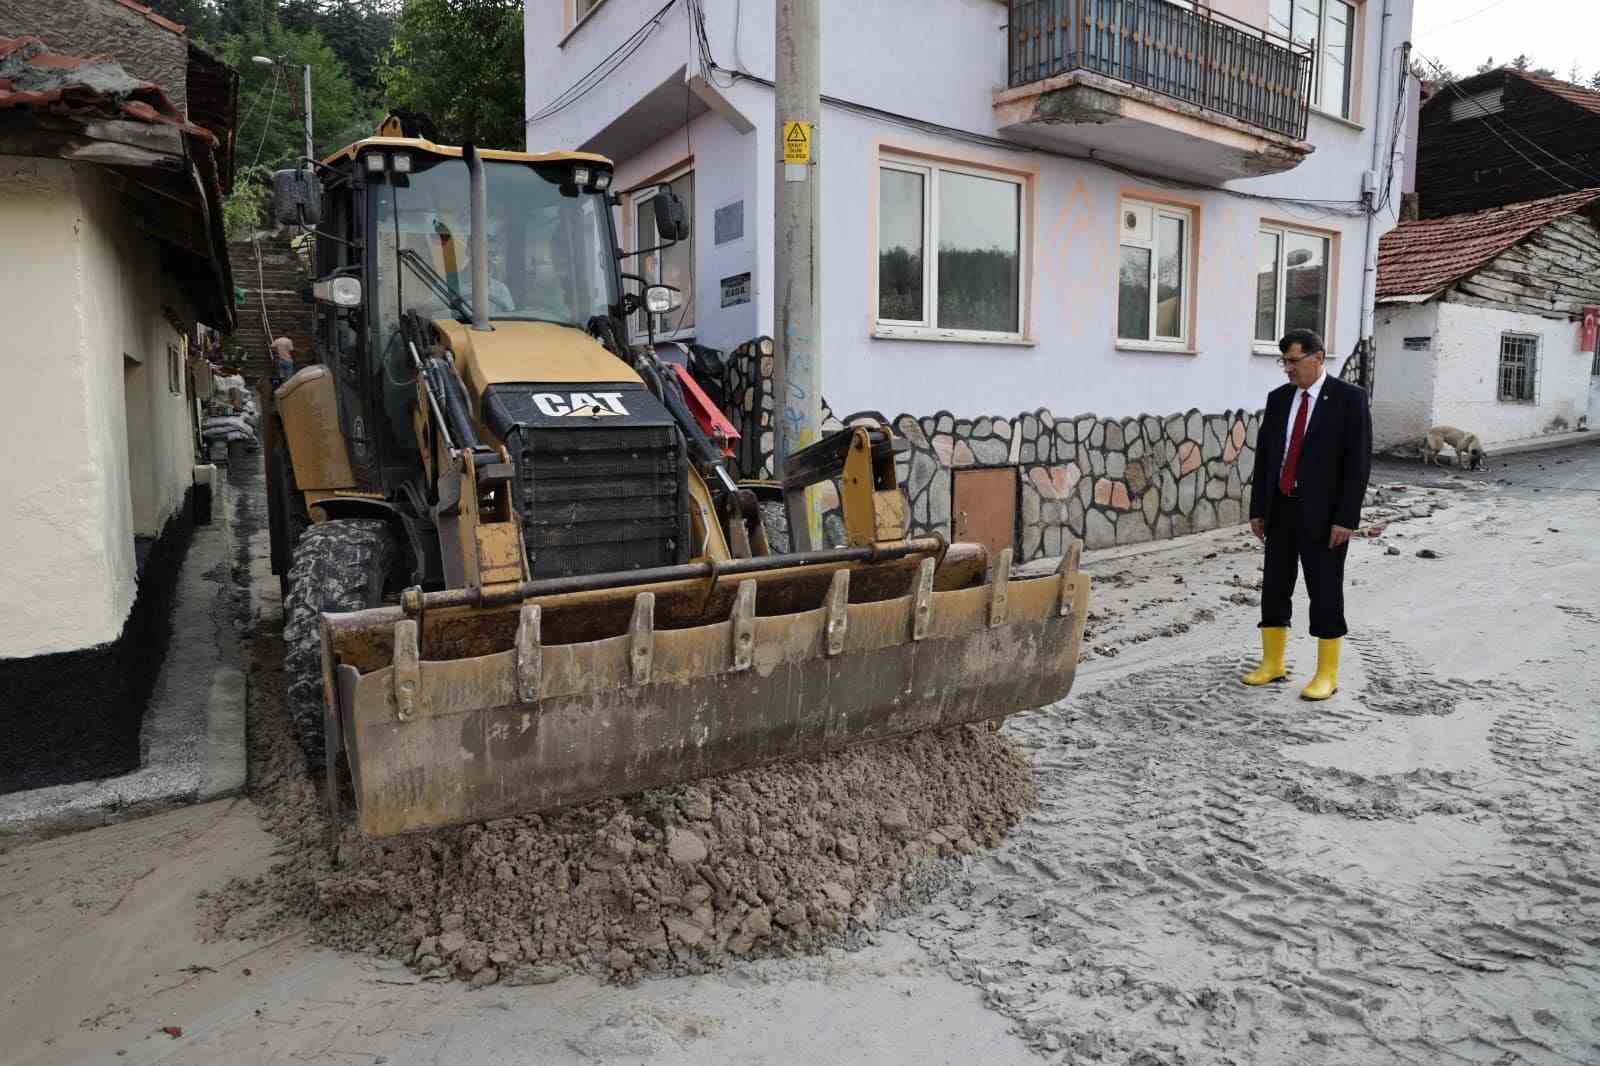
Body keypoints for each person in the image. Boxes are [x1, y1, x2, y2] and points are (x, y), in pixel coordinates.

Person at [1241, 328, 1372, 700]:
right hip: (1280, 508)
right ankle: (1273, 663)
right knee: (1275, 587)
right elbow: (1266, 457)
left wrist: (1346, 519)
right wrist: (1258, 509)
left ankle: (1326, 674)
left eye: (1293, 361)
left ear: (1318, 357)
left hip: (1325, 516)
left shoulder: (1349, 399)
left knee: (1325, 591)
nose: (1287, 369)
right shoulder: (1280, 399)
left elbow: (1357, 464)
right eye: (1283, 362)